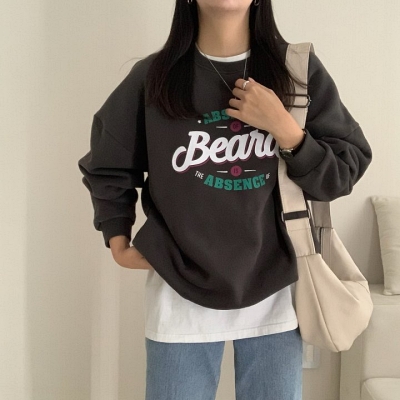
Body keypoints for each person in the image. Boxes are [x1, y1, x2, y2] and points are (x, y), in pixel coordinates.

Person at [78, 0, 372, 399]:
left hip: (276, 291)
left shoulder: (296, 72)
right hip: (179, 293)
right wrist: (117, 239)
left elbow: (343, 171)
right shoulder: (154, 76)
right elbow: (108, 163)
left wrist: (286, 130)